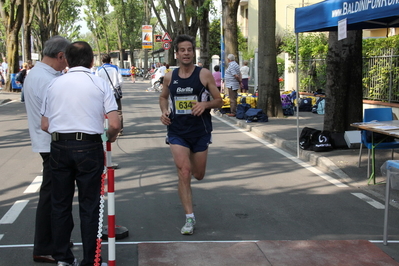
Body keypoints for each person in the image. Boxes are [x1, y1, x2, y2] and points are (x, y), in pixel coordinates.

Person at [41, 41, 120, 266]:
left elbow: (45, 124)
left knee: (60, 204)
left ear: (66, 58)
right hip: (89, 147)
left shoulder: (53, 85)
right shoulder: (99, 83)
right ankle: (91, 260)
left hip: (58, 147)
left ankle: (63, 258)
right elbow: (114, 123)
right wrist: (109, 138)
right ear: (92, 60)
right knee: (90, 205)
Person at [159, 34, 223, 235]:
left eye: (189, 49)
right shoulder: (170, 76)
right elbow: (163, 97)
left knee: (198, 174)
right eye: (182, 50)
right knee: (184, 172)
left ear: (192, 52)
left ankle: (190, 209)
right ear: (176, 53)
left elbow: (219, 100)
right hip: (177, 131)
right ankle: (189, 218)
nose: (186, 53)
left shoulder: (204, 74)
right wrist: (163, 111)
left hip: (200, 131)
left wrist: (205, 104)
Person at [24, 35, 71, 264]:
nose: (67, 64)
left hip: (50, 142)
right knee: (52, 196)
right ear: (60, 56)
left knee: (57, 194)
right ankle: (44, 245)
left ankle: (55, 239)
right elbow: (54, 115)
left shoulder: (41, 74)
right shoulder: (46, 79)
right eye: (67, 59)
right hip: (53, 143)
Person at [96, 54, 124, 136]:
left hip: (103, 94)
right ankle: (120, 130)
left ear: (102, 61)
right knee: (118, 112)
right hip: (114, 93)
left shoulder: (99, 70)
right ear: (110, 60)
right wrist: (117, 88)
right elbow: (121, 81)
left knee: (102, 112)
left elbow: (97, 83)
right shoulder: (115, 68)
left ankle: (103, 129)